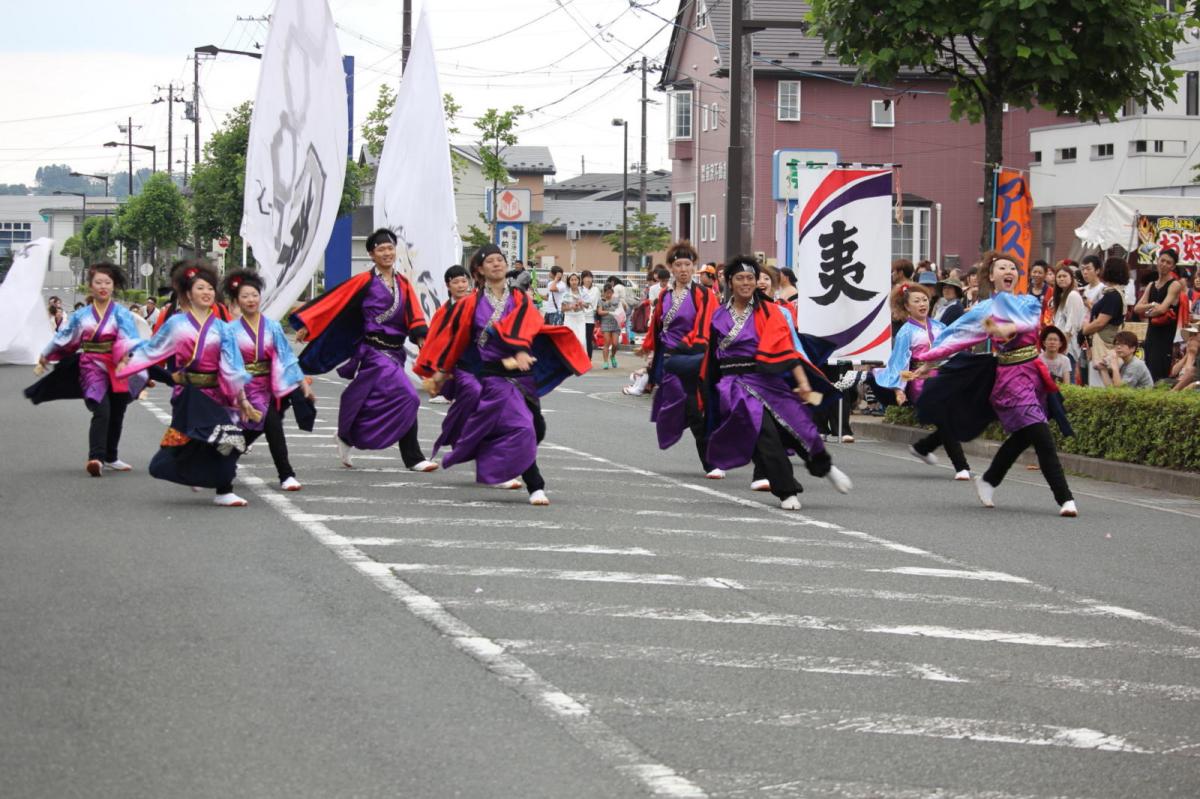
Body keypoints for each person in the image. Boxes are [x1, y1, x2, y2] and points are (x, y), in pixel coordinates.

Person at [416, 244, 591, 505]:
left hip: (523, 375)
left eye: (500, 260)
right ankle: (536, 486)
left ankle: (496, 457)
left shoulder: (519, 297)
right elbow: (458, 341)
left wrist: (521, 349)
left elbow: (529, 323)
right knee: (522, 427)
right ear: (479, 270)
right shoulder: (470, 304)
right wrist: (441, 374)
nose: (497, 264)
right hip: (494, 376)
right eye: (490, 261)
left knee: (536, 428)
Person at [913, 251, 1077, 517]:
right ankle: (1065, 498)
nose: (1008, 271)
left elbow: (1028, 324)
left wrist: (1006, 329)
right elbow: (955, 335)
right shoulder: (982, 309)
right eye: (1002, 268)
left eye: (1012, 268)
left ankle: (989, 479)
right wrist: (929, 361)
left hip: (1034, 374)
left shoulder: (1028, 302)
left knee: (1025, 435)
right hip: (1010, 378)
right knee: (1041, 436)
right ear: (991, 276)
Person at [706, 256, 852, 510]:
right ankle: (786, 491)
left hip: (766, 379)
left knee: (797, 426)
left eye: (750, 278)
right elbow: (711, 361)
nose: (746, 283)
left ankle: (825, 467)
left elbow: (786, 349)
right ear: (729, 281)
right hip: (734, 386)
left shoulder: (770, 311)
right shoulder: (718, 316)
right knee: (765, 437)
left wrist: (802, 381)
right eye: (740, 278)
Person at [290, 228, 438, 473]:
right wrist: (309, 323)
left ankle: (347, 436)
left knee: (379, 400)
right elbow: (334, 301)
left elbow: (414, 314)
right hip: (374, 351)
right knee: (409, 397)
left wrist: (421, 337)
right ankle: (413, 458)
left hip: (395, 352)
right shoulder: (364, 281)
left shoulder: (403, 283)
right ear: (372, 254)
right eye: (381, 249)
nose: (387, 253)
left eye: (390, 248)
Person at [117, 263, 255, 506]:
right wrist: (130, 364)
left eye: (210, 288)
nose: (207, 292)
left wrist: (242, 400)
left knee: (229, 438)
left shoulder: (223, 328)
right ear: (189, 293)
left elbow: (233, 366)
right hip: (188, 394)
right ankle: (189, 473)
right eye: (200, 288)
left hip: (217, 393)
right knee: (187, 444)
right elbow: (152, 351)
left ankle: (224, 490)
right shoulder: (176, 324)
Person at [28, 263, 145, 477]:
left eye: (107, 283)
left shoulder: (121, 314)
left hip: (117, 365)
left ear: (114, 286)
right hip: (90, 365)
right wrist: (46, 353)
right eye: (98, 282)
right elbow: (64, 337)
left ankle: (111, 456)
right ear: (90, 286)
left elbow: (130, 339)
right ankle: (96, 458)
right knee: (102, 410)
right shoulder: (82, 316)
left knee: (118, 411)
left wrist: (127, 357)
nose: (103, 287)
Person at [221, 270, 312, 491]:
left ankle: (284, 474)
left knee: (266, 426)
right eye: (245, 296)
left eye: (254, 295)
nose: (251, 300)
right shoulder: (230, 330)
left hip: (268, 387)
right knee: (260, 428)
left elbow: (285, 356)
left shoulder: (273, 326)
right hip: (244, 388)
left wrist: (301, 381)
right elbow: (229, 363)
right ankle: (222, 462)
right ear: (236, 302)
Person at [871, 281, 971, 480]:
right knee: (945, 419)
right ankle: (961, 466)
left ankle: (923, 447)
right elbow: (899, 362)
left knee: (952, 420)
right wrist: (899, 390)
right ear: (907, 306)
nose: (922, 303)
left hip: (943, 377)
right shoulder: (906, 332)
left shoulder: (939, 325)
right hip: (920, 381)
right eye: (916, 301)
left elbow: (952, 347)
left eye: (925, 299)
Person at [642, 241, 721, 478]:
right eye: (678, 265)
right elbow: (656, 328)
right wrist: (650, 353)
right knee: (687, 408)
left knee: (698, 409)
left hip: (695, 358)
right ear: (671, 268)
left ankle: (711, 461)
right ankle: (712, 458)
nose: (684, 269)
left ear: (694, 267)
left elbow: (709, 326)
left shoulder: (704, 295)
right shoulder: (664, 295)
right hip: (670, 361)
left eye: (688, 264)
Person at [1133, 248, 1187, 382]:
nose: (1164, 264)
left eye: (1168, 262)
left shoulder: (1174, 285)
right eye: (1162, 260)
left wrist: (1149, 310)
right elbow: (1137, 308)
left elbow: (1162, 309)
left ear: (1173, 266)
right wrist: (1152, 305)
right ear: (1157, 261)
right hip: (1151, 334)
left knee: (1159, 375)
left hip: (1165, 337)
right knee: (1148, 372)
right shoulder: (1151, 285)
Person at [1080, 256, 1129, 387]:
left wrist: (1085, 329)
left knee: (1099, 381)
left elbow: (1100, 322)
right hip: (1107, 341)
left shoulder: (1112, 295)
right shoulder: (1117, 293)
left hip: (1103, 342)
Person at [1049, 262, 1086, 383]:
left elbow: (1072, 325)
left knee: (1068, 381)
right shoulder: (1062, 296)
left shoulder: (1073, 295)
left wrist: (1063, 345)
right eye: (1059, 277)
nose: (1061, 279)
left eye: (1064, 276)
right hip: (1060, 345)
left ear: (1071, 278)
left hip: (1067, 347)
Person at [596, 284, 622, 369]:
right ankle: (605, 362)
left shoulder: (616, 300)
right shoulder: (601, 301)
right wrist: (609, 312)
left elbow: (621, 309)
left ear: (613, 292)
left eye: (610, 293)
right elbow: (599, 312)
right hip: (605, 323)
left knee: (615, 344)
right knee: (606, 342)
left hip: (615, 323)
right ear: (604, 292)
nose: (608, 295)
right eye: (607, 293)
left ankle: (613, 356)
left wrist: (622, 305)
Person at [561, 272, 589, 352]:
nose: (574, 282)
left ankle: (582, 361)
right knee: (569, 340)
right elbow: (562, 308)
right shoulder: (565, 293)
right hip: (569, 318)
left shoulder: (583, 292)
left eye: (576, 280)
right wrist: (571, 306)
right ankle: (569, 361)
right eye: (572, 280)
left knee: (581, 340)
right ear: (568, 281)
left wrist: (582, 303)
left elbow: (587, 305)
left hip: (580, 318)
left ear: (579, 281)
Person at [580, 270, 599, 360]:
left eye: (590, 277)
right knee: (581, 338)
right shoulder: (580, 289)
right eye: (586, 277)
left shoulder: (596, 289)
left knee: (588, 338)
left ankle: (588, 358)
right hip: (580, 317)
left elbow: (595, 302)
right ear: (582, 279)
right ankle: (581, 357)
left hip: (590, 317)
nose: (588, 279)